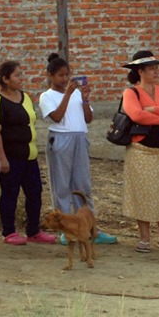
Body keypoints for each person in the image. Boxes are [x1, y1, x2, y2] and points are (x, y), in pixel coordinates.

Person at [39, 53, 116, 244]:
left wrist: (85, 99)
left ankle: (90, 229)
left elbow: (88, 119)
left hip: (80, 138)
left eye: (67, 74)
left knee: (82, 185)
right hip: (60, 139)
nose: (65, 79)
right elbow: (57, 117)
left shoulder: (76, 94)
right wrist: (67, 94)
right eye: (60, 75)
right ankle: (66, 230)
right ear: (50, 76)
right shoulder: (46, 96)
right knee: (61, 186)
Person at [121, 50, 159, 253]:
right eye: (151, 69)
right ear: (140, 71)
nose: (156, 72)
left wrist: (154, 110)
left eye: (156, 68)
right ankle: (144, 237)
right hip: (142, 151)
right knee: (143, 193)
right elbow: (137, 115)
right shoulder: (131, 93)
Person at [0, 60, 54, 245]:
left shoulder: (25, 97)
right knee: (10, 192)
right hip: (8, 155)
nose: (21, 78)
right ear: (5, 79)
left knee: (35, 192)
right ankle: (8, 232)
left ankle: (33, 231)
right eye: (17, 75)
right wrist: (2, 158)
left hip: (29, 154)